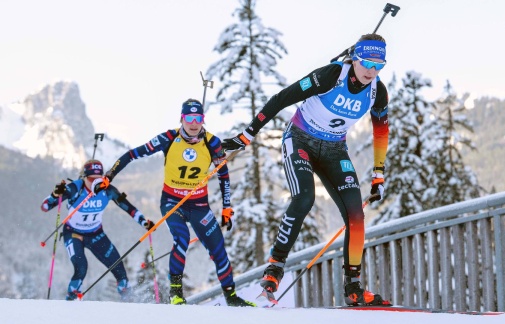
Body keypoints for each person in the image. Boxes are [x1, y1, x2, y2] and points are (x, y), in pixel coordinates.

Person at [222, 33, 391, 306]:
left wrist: (379, 173)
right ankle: (274, 270)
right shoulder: (331, 75)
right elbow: (281, 98)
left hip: (335, 149)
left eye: (379, 65)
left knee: (356, 215)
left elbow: (381, 130)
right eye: (367, 63)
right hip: (300, 138)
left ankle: (354, 287)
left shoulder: (377, 91)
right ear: (355, 59)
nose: (372, 71)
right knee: (304, 198)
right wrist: (247, 135)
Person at [96, 99, 255, 307]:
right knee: (182, 238)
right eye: (189, 118)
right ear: (182, 119)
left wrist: (226, 207)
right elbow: (132, 154)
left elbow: (223, 174)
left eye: (198, 118)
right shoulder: (168, 138)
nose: (194, 123)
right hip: (173, 202)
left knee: (218, 248)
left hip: (199, 206)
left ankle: (231, 297)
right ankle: (176, 294)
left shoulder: (212, 143)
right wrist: (110, 175)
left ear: (203, 120)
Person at [41, 159, 155, 301]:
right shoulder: (75, 189)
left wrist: (144, 222)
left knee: (119, 268)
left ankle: (129, 301)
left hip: (96, 234)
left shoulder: (108, 191)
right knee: (81, 267)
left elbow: (128, 208)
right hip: (74, 234)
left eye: (98, 178)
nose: (95, 182)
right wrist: (54, 195)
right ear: (84, 177)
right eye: (90, 179)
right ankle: (71, 301)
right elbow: (45, 207)